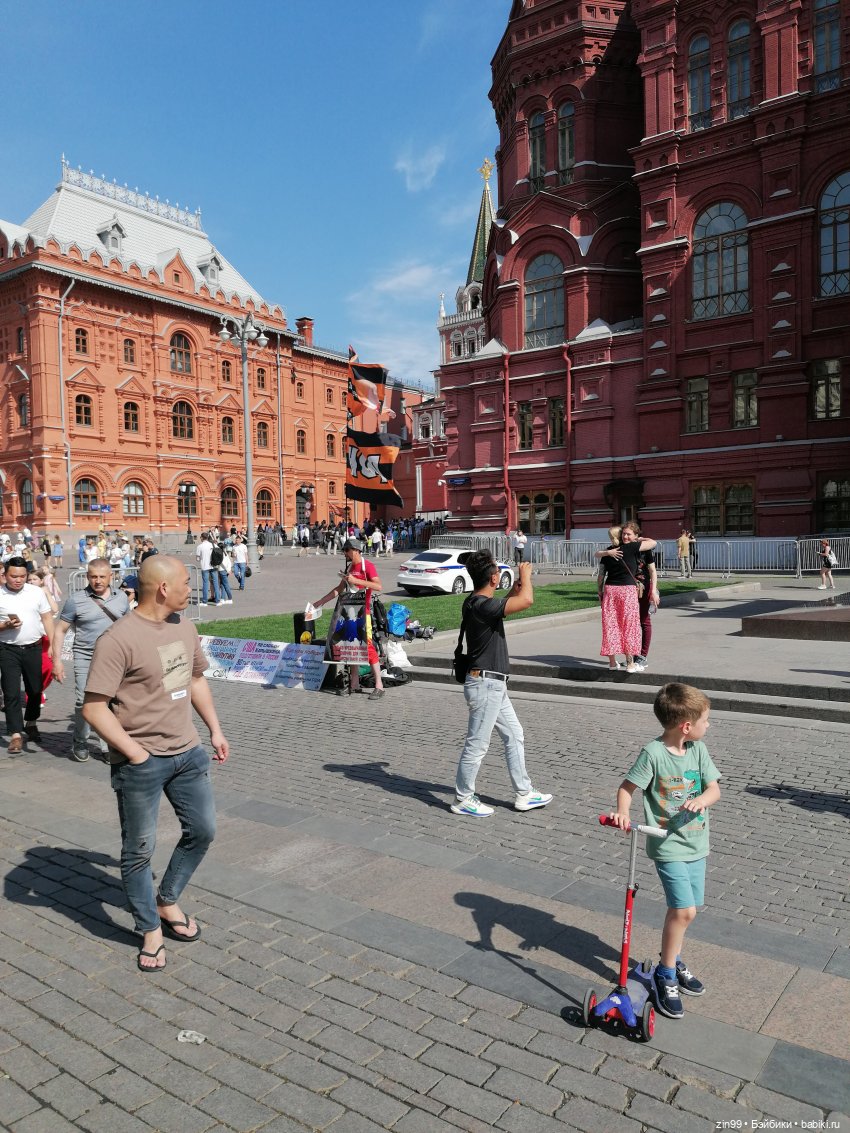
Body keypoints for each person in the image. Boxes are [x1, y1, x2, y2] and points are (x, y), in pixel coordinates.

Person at [82, 555, 229, 972]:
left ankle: (167, 900)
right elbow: (93, 708)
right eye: (185, 582)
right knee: (138, 851)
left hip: (188, 752)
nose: (191, 588)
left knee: (203, 831)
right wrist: (134, 753)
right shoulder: (118, 639)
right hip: (141, 763)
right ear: (163, 588)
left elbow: (195, 679)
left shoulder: (184, 625)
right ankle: (149, 929)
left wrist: (215, 730)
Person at [609, 682, 721, 1019]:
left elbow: (714, 789)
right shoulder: (653, 754)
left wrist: (701, 800)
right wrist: (622, 813)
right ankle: (665, 974)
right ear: (686, 726)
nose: (708, 725)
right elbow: (627, 788)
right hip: (668, 846)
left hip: (697, 844)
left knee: (689, 911)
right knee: (683, 911)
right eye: (705, 720)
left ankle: (671, 959)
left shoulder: (698, 751)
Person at [451, 551, 553, 817]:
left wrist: (514, 590)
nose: (499, 573)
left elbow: (502, 607)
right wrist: (526, 577)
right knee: (477, 744)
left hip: (492, 684)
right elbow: (527, 600)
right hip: (486, 684)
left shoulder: (475, 602)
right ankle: (463, 798)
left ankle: (524, 793)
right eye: (497, 571)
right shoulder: (483, 606)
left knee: (514, 734)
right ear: (494, 578)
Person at [51, 558, 130, 762]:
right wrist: (57, 661)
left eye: (102, 576)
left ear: (111, 577)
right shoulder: (76, 600)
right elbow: (60, 630)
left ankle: (108, 744)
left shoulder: (121, 598)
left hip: (114, 659)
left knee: (109, 702)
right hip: (85, 656)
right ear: (87, 576)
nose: (98, 581)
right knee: (82, 701)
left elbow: (129, 628)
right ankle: (80, 741)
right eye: (93, 576)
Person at [312, 538, 386, 699]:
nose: (345, 553)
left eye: (347, 550)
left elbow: (378, 586)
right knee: (352, 648)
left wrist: (356, 580)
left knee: (368, 647)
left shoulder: (368, 566)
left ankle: (379, 685)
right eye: (344, 551)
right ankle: (354, 684)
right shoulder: (350, 567)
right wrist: (321, 601)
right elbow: (340, 589)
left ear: (356, 550)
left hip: (363, 614)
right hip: (349, 612)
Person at [0, 557, 56, 753]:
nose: (18, 580)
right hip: (7, 649)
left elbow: (47, 618)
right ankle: (16, 734)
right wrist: (5, 625)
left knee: (35, 689)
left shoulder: (36, 592)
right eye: (14, 576)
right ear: (5, 575)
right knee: (11, 692)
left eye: (22, 576)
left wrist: (53, 645)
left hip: (34, 648)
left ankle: (31, 722)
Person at [598, 522, 657, 672]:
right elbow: (654, 543)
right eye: (623, 534)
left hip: (618, 589)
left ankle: (618, 662)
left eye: (628, 534)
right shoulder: (630, 548)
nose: (625, 536)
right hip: (628, 590)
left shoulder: (611, 551)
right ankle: (630, 663)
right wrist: (642, 540)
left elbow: (600, 574)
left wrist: (600, 592)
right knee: (629, 625)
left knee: (613, 625)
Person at [195, 533, 220, 607]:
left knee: (205, 583)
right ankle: (217, 601)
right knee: (215, 583)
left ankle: (204, 601)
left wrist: (201, 558)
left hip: (205, 566)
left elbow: (197, 559)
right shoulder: (213, 545)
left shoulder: (200, 546)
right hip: (214, 566)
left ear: (202, 538)